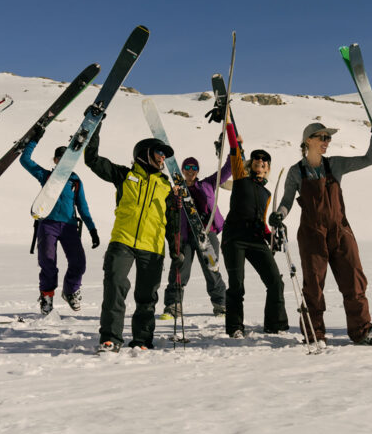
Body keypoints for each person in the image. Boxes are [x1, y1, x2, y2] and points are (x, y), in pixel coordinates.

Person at [271, 121, 372, 346]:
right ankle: (314, 335)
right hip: (312, 235)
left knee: (355, 281)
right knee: (313, 286)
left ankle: (362, 331)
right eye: (321, 138)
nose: (326, 142)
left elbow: (369, 159)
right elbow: (286, 202)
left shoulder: (336, 165)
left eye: (328, 138)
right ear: (308, 141)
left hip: (341, 232)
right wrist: (279, 216)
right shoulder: (296, 172)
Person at [84, 121, 179, 352]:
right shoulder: (124, 176)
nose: (162, 159)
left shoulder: (168, 187)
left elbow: (172, 222)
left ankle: (142, 340)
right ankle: (110, 338)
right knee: (115, 286)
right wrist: (94, 128)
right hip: (122, 241)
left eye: (164, 155)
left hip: (153, 247)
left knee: (147, 296)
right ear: (145, 153)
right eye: (159, 153)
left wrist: (177, 250)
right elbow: (92, 160)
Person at [20, 129, 99, 315]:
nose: (63, 161)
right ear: (55, 160)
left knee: (79, 263)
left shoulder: (75, 180)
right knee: (47, 262)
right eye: (60, 158)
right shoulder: (46, 176)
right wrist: (34, 139)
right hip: (48, 224)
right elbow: (25, 161)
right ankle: (47, 296)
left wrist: (92, 230)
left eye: (67, 158)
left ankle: (70, 291)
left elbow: (83, 207)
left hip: (70, 226)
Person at [220, 125, 288, 338]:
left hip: (257, 239)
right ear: (252, 164)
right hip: (235, 239)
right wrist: (233, 135)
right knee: (237, 285)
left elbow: (263, 221)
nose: (261, 161)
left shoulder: (267, 193)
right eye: (257, 159)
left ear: (268, 167)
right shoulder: (240, 178)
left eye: (265, 160)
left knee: (276, 282)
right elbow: (234, 150)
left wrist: (271, 236)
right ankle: (235, 327)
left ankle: (274, 325)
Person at [161, 155, 230, 320]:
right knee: (179, 270)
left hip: (206, 233)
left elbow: (226, 171)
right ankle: (173, 306)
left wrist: (233, 153)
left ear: (197, 171)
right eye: (187, 167)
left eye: (194, 168)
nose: (190, 171)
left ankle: (221, 305)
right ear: (183, 170)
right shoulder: (176, 189)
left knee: (211, 269)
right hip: (185, 236)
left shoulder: (207, 184)